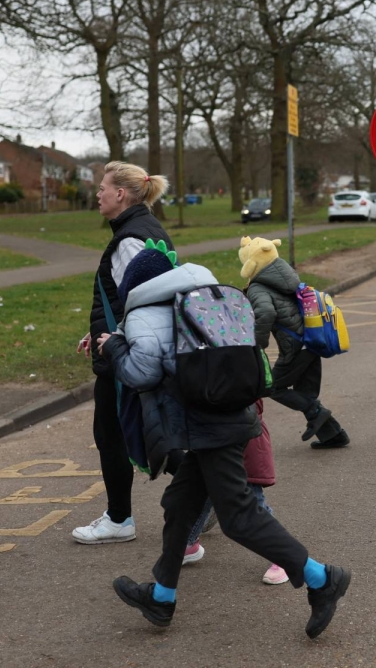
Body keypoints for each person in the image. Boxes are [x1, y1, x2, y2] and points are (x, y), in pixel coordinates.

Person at [98, 246, 350, 638]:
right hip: (231, 413)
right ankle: (161, 597)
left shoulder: (146, 313)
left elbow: (140, 372)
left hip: (209, 428)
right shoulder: (206, 294)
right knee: (179, 505)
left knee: (239, 519)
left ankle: (322, 579)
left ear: (136, 286)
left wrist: (113, 346)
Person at [72, 161, 173, 545]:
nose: (97, 194)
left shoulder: (130, 239)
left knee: (116, 433)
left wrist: (114, 339)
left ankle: (119, 519)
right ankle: (211, 493)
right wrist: (99, 329)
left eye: (102, 188)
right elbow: (127, 299)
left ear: (121, 194)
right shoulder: (141, 228)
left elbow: (146, 299)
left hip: (127, 356)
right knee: (150, 431)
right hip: (129, 345)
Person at [240, 235, 348, 448]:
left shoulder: (258, 287)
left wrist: (257, 345)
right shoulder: (287, 277)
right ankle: (334, 436)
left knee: (270, 387)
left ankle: (318, 414)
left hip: (295, 346)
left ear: (250, 264)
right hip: (312, 340)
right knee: (306, 393)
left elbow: (265, 313)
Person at [182, 398, 291, 585]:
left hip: (243, 438)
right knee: (203, 492)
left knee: (254, 502)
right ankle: (189, 542)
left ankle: (284, 555)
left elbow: (250, 399)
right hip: (213, 439)